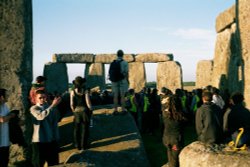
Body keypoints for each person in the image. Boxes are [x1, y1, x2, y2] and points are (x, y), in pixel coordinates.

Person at [30, 89, 61, 167]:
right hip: (39, 141)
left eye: (44, 97)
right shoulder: (33, 108)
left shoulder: (50, 107)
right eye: (40, 97)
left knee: (54, 163)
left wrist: (56, 137)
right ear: (35, 98)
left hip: (51, 140)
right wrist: (52, 106)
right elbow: (40, 116)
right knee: (38, 164)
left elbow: (55, 123)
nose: (42, 99)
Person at [161, 93, 187, 167]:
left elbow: (163, 108)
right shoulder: (180, 115)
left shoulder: (165, 114)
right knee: (175, 159)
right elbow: (184, 123)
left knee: (170, 155)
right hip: (176, 140)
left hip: (166, 138)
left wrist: (165, 102)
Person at [70, 76, 93, 150]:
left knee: (76, 129)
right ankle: (84, 145)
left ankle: (77, 145)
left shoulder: (72, 91)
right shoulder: (85, 91)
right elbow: (88, 102)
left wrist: (73, 110)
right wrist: (91, 109)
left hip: (76, 111)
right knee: (84, 128)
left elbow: (71, 104)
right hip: (84, 111)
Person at [0, 88, 17, 167]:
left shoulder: (5, 106)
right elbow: (2, 119)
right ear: (2, 97)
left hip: (5, 142)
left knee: (4, 162)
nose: (8, 97)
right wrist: (12, 115)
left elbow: (8, 119)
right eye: (6, 95)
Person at [109, 49, 129, 114]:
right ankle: (123, 110)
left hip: (114, 80)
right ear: (123, 55)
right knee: (122, 96)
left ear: (117, 55)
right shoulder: (125, 63)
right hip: (122, 80)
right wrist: (127, 80)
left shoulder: (113, 63)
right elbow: (126, 73)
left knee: (115, 95)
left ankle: (115, 110)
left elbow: (110, 72)